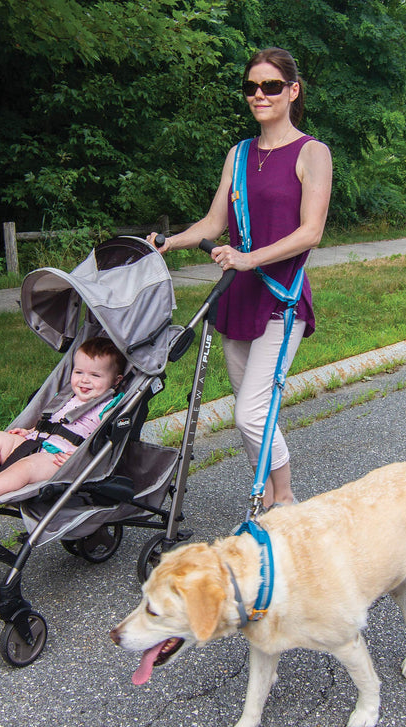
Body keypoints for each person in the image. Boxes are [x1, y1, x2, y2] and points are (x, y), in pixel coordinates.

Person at [148, 47, 332, 508]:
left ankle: (286, 501)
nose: (259, 95)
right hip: (236, 299)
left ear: (292, 91)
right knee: (250, 411)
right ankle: (267, 501)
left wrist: (251, 259)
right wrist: (171, 243)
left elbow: (311, 232)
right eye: (251, 87)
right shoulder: (240, 153)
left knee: (251, 415)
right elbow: (214, 225)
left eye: (271, 86)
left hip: (279, 300)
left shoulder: (312, 152)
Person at [0, 337, 125, 505]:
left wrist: (81, 457)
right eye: (79, 372)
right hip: (34, 441)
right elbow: (52, 421)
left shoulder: (107, 407)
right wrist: (29, 432)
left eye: (95, 375)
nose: (84, 380)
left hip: (59, 459)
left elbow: (105, 439)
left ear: (116, 381)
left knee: (26, 467)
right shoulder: (66, 397)